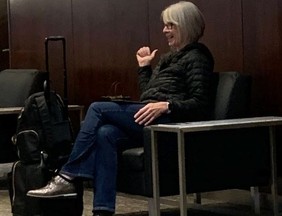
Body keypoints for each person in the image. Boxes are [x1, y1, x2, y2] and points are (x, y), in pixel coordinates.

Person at [27, 1, 214, 216]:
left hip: (170, 124)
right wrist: (144, 68)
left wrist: (168, 106)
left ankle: (67, 175)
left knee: (97, 108)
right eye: (165, 25)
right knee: (105, 134)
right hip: (148, 116)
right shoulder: (167, 59)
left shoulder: (198, 58)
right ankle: (102, 210)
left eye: (170, 25)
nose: (164, 30)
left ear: (185, 25)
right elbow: (148, 95)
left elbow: (200, 104)